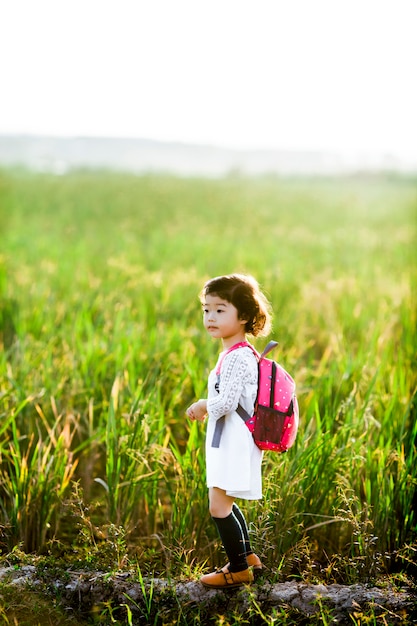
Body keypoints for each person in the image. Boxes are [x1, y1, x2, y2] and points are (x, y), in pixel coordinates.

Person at [186, 273, 272, 589]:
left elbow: (224, 403)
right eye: (207, 309)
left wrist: (201, 404)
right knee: (225, 503)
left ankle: (238, 569)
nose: (210, 317)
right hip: (231, 438)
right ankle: (247, 558)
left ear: (245, 316)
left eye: (220, 310)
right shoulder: (231, 353)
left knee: (218, 506)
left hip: (236, 440)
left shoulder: (238, 357)